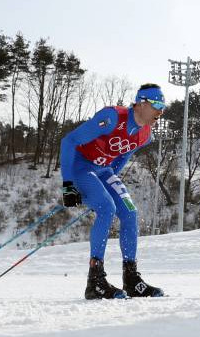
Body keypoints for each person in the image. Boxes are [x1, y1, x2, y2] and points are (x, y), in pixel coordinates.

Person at [59, 84, 166, 300]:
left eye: (163, 106)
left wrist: (109, 178)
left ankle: (131, 279)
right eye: (157, 105)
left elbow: (125, 153)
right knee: (107, 208)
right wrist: (68, 183)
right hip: (81, 166)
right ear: (141, 103)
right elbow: (69, 141)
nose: (160, 111)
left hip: (102, 170)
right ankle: (95, 280)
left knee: (130, 212)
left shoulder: (146, 134)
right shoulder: (112, 117)